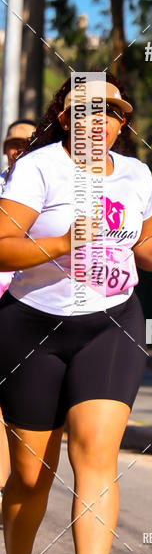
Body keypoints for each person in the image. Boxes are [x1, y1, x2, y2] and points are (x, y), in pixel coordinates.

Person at [0, 74, 152, 554]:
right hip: (33, 326)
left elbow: (144, 238)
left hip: (111, 323)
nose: (99, 121)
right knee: (30, 476)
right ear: (64, 119)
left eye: (111, 112)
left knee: (96, 452)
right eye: (85, 111)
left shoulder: (136, 174)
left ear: (123, 122)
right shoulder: (39, 168)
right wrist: (60, 243)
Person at [0, 120, 37, 496]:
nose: (19, 149)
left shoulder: (49, 183)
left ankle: (18, 481)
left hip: (34, 306)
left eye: (27, 143)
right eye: (13, 143)